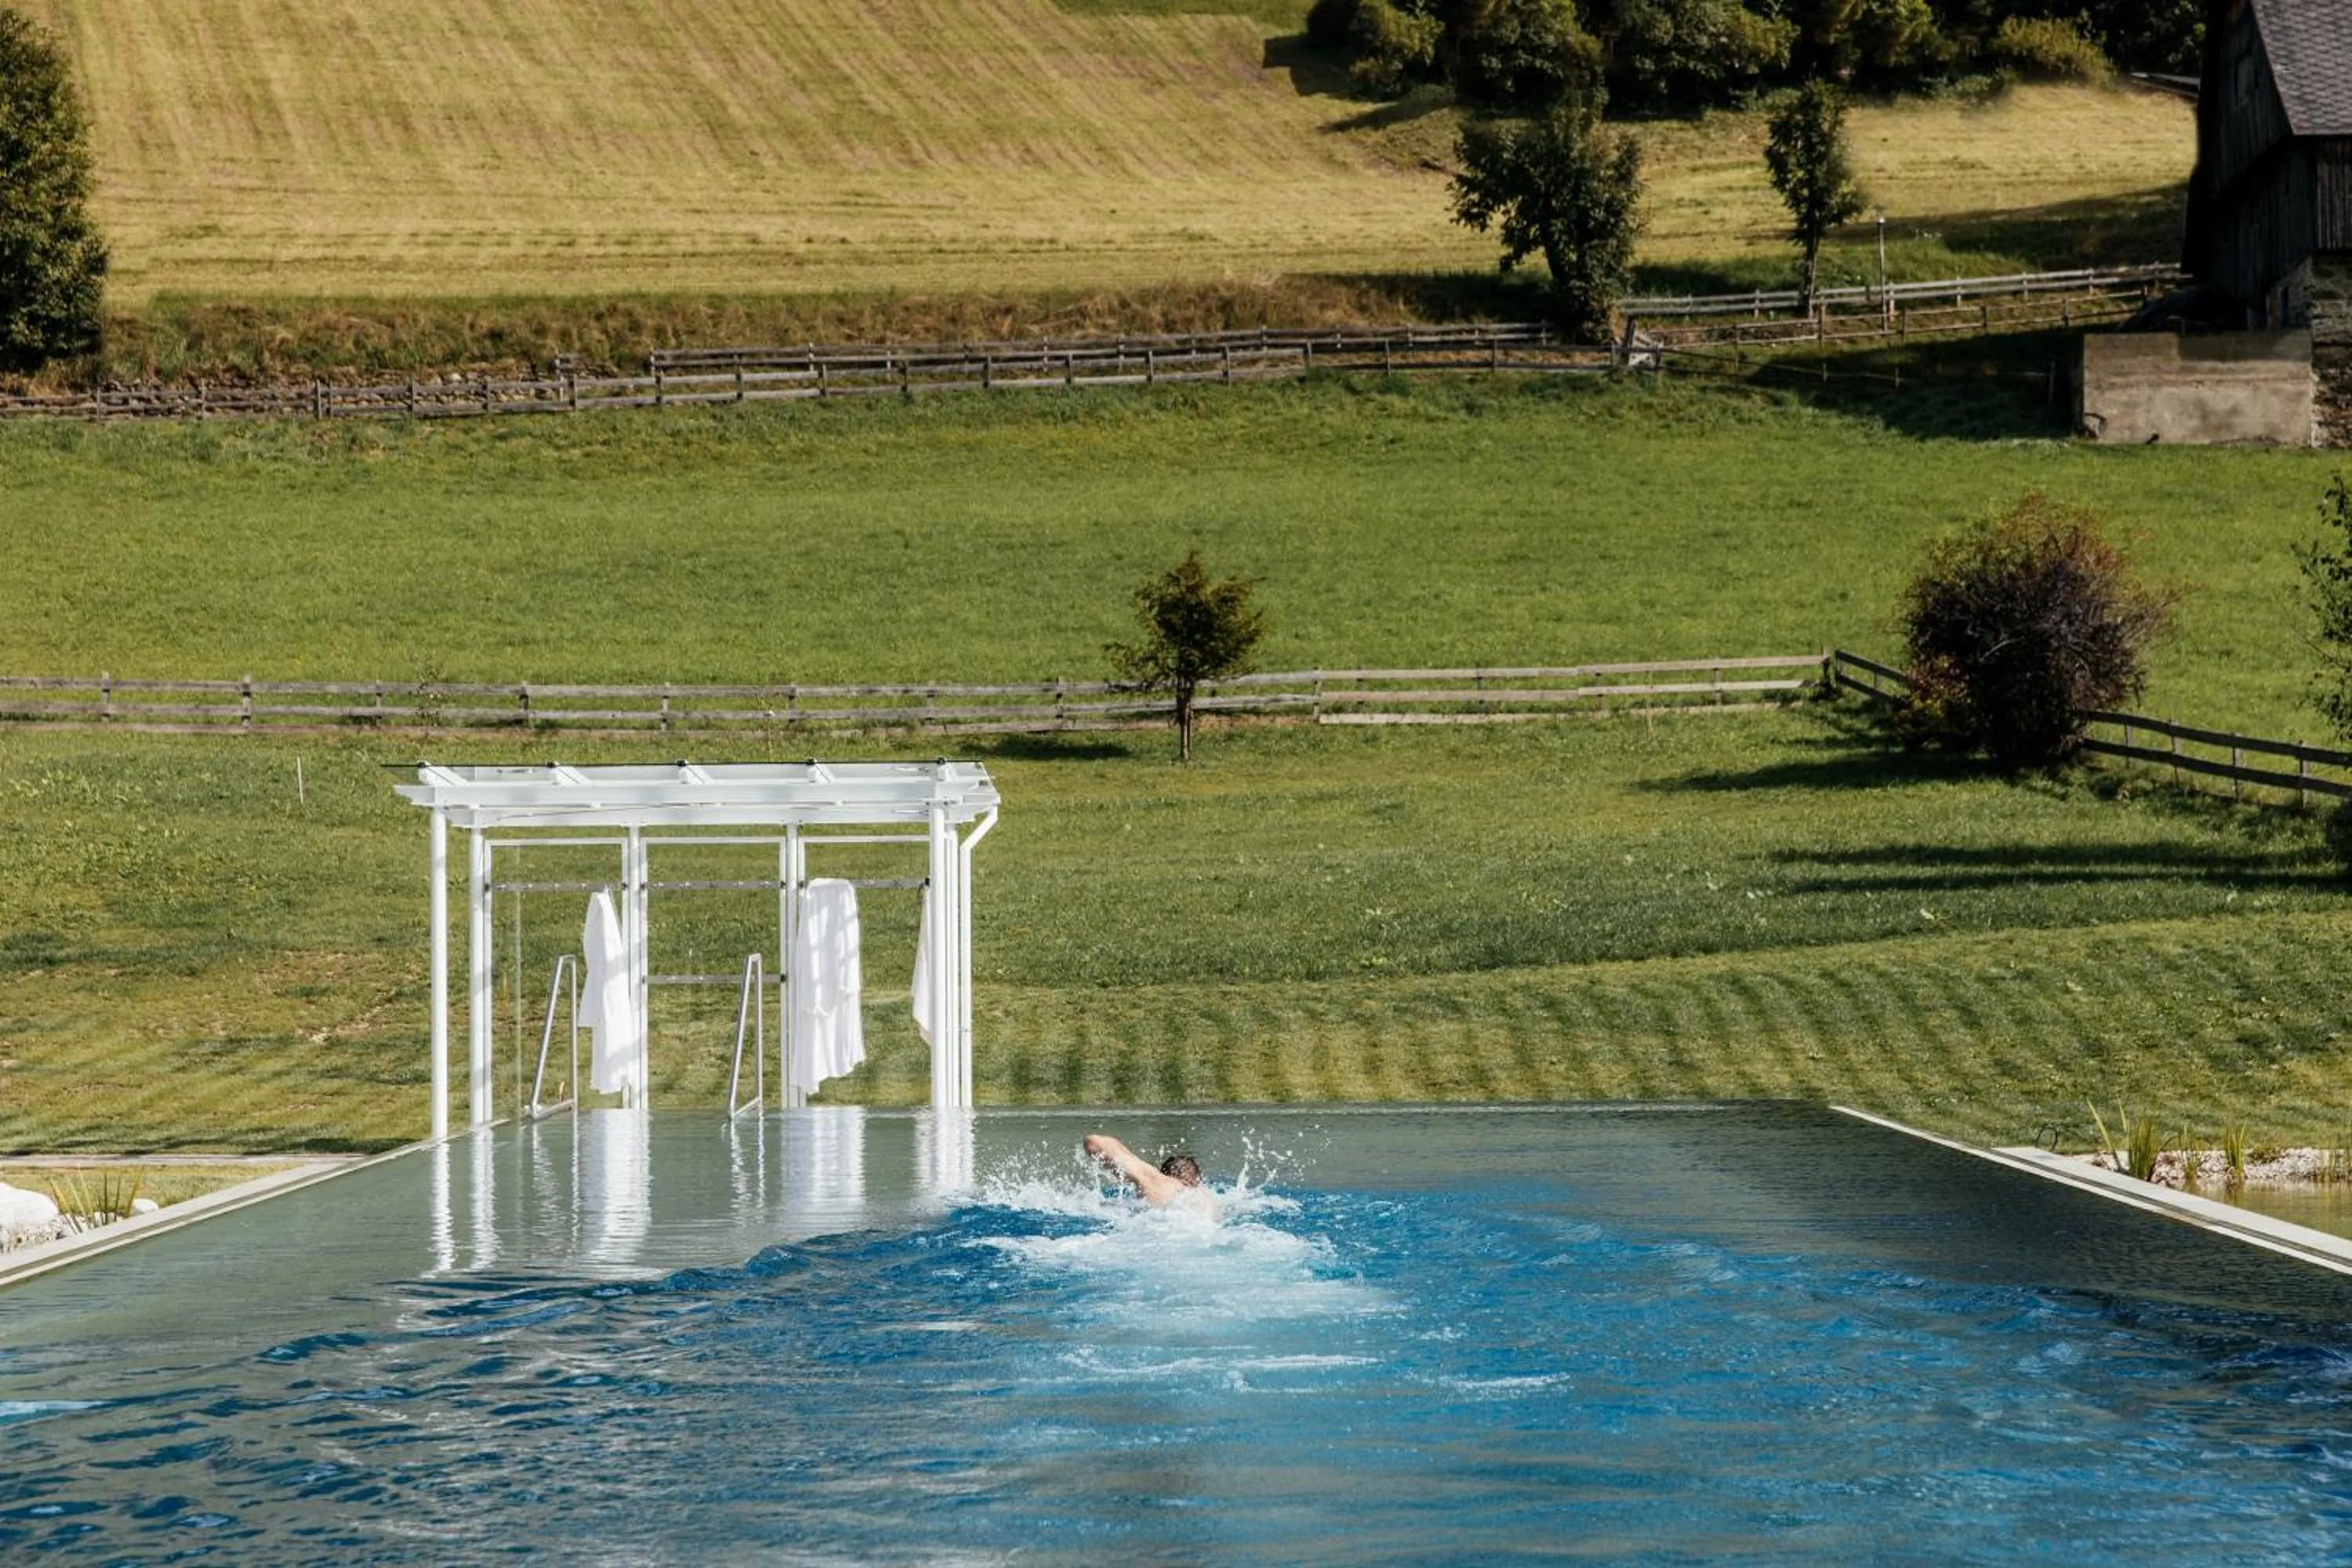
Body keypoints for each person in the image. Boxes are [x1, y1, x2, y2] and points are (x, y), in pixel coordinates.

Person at [1083, 1132, 1206, 1209]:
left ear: (1164, 1173)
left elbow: (1093, 1143)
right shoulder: (1206, 1199)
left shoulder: (1157, 1181)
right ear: (1196, 1181)